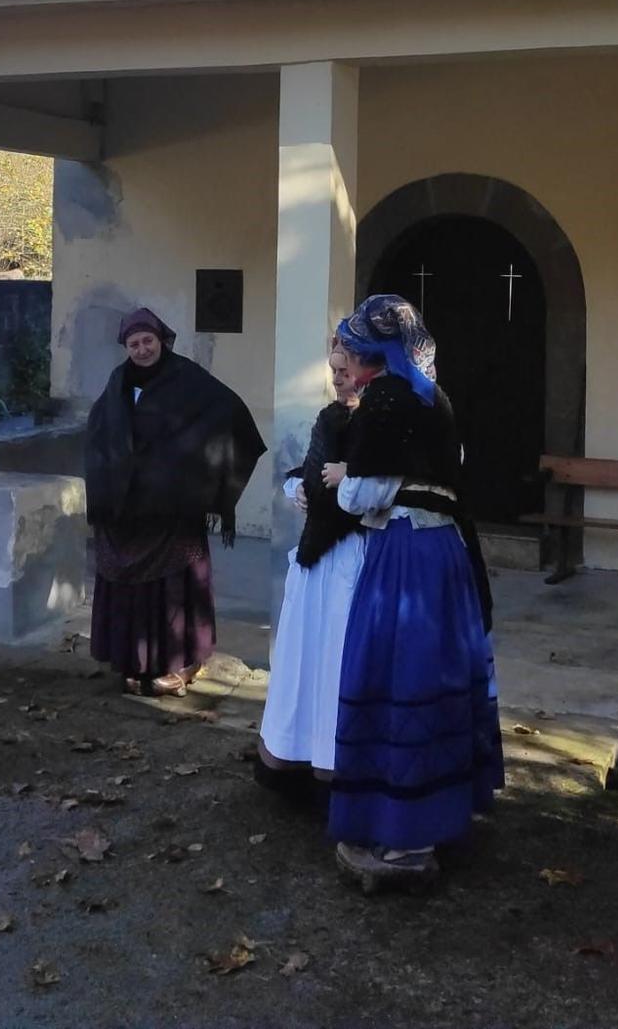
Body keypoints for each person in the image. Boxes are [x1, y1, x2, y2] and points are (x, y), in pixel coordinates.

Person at [322, 294, 503, 889]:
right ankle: (436, 818)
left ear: (373, 351)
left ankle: (404, 842)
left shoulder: (384, 398)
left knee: (397, 677)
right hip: (447, 552)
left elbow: (363, 496)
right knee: (436, 678)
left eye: (355, 344)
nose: (350, 353)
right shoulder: (434, 395)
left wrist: (343, 476)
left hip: (404, 556)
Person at [83, 307, 265, 697]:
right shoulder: (118, 383)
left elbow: (230, 413)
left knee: (172, 588)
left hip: (173, 506)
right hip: (127, 509)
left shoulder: (187, 378)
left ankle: (182, 663)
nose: (142, 349)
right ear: (126, 348)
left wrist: (193, 468)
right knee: (130, 587)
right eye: (134, 343)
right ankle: (134, 660)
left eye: (148, 340)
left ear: (161, 340)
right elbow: (100, 433)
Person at [255, 339, 366, 801]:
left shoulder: (380, 421)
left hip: (352, 554)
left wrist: (348, 483)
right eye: (333, 369)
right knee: (306, 657)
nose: (338, 378)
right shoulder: (329, 417)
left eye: (345, 369)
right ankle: (295, 756)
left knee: (337, 661)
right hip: (316, 556)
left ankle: (335, 764)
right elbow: (309, 469)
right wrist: (298, 486)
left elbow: (383, 485)